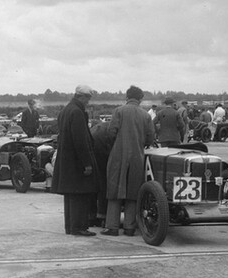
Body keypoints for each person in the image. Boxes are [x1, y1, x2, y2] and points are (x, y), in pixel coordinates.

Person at [102, 85, 155, 237]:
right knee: (133, 191)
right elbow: (151, 137)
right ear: (140, 99)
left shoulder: (119, 111)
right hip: (137, 157)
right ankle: (129, 227)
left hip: (118, 156)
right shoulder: (145, 115)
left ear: (127, 96)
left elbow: (111, 132)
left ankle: (112, 226)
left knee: (114, 190)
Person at [50, 85, 99, 236]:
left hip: (66, 159)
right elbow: (80, 140)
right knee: (80, 194)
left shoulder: (65, 110)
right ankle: (79, 227)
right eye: (88, 99)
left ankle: (70, 227)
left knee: (70, 195)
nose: (88, 102)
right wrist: (87, 163)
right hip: (77, 161)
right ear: (81, 97)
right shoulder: (77, 112)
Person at [90, 118, 115, 227]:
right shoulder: (111, 128)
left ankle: (91, 216)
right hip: (103, 145)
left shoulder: (97, 128)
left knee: (96, 180)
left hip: (94, 146)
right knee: (105, 181)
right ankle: (103, 215)